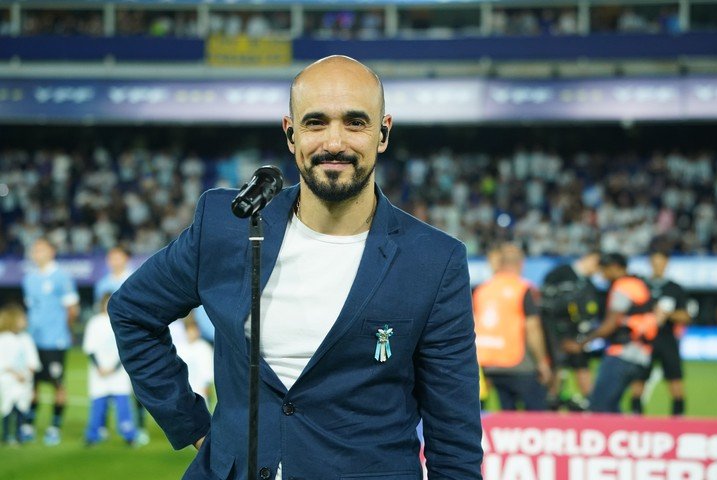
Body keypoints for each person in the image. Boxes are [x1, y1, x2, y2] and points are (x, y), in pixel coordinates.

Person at [109, 55, 483, 480]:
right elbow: (132, 312)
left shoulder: (434, 260)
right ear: (291, 133)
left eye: (356, 123)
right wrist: (192, 425)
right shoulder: (227, 224)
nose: (335, 141)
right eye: (316, 122)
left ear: (383, 133)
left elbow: (454, 436)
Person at [569, 252, 662, 413]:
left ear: (614, 267)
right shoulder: (638, 283)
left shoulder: (623, 286)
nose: (602, 274)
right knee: (611, 406)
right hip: (640, 353)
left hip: (623, 353)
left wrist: (581, 343)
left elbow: (610, 325)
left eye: (604, 269)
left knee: (599, 406)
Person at [472, 243, 552, 411]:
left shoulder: (482, 289)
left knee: (504, 413)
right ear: (521, 264)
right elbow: (532, 328)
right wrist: (542, 362)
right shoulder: (523, 288)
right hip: (517, 362)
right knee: (537, 414)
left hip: (487, 361)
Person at [21, 238, 79, 446]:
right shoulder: (29, 279)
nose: (37, 254)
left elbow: (72, 309)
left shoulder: (62, 277)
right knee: (32, 383)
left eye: (42, 250)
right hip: (33, 340)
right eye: (35, 250)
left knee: (57, 384)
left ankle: (54, 427)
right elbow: (31, 309)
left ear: (52, 252)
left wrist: (65, 331)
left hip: (55, 341)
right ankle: (28, 424)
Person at [94, 246, 150, 445]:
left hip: (134, 337)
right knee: (108, 385)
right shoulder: (102, 284)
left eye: (118, 257)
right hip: (110, 341)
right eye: (111, 258)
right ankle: (103, 427)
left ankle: (141, 426)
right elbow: (100, 313)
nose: (114, 261)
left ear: (126, 258)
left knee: (138, 384)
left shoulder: (136, 278)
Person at [629, 249, 692, 415]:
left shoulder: (674, 289)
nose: (658, 267)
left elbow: (685, 316)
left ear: (666, 264)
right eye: (654, 263)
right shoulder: (642, 286)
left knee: (675, 381)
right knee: (638, 380)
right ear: (650, 263)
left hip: (666, 339)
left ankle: (678, 418)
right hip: (644, 340)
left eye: (661, 263)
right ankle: (636, 417)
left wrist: (666, 314)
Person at [540, 250, 600, 410]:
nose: (597, 268)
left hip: (578, 335)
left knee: (582, 366)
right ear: (587, 258)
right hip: (555, 333)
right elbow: (545, 301)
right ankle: (551, 404)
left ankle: (592, 405)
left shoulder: (589, 283)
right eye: (596, 263)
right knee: (558, 366)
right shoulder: (561, 273)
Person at [83, 294, 138, 446]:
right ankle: (92, 435)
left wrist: (114, 367)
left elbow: (126, 347)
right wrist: (99, 367)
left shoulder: (122, 320)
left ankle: (129, 435)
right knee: (98, 406)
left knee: (123, 407)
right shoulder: (94, 323)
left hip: (118, 373)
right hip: (99, 373)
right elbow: (90, 348)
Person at [0, 304, 41, 445]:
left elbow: (32, 360)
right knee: (8, 407)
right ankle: (7, 434)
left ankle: (19, 433)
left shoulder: (26, 338)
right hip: (9, 380)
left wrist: (27, 372)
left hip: (24, 381)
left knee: (22, 408)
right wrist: (15, 374)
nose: (25, 320)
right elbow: (2, 361)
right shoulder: (3, 339)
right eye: (22, 318)